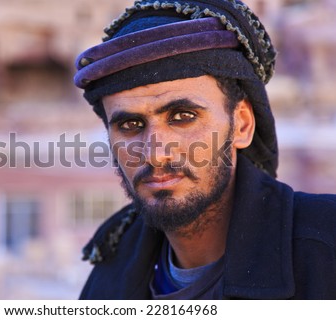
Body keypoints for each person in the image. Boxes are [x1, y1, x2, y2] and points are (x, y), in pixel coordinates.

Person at [73, 0, 336, 299]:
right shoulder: (112, 269)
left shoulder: (325, 249)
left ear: (242, 125)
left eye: (183, 117)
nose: (156, 153)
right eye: (131, 125)